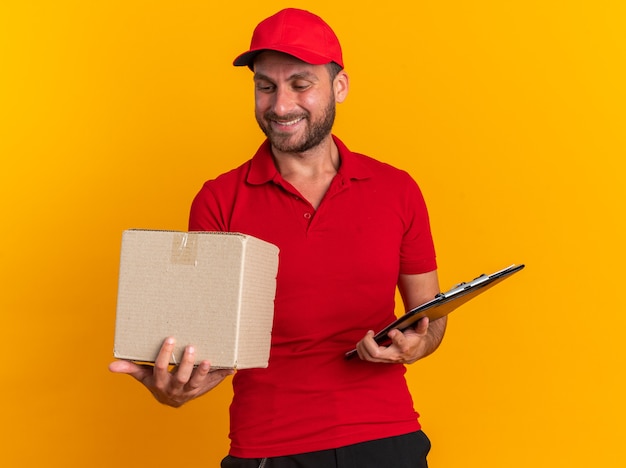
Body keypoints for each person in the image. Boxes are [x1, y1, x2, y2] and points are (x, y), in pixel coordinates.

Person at [109, 8, 447, 468]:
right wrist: (177, 386)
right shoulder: (219, 200)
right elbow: (205, 344)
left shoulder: (398, 190)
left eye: (300, 84)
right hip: (269, 447)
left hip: (387, 439)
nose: (280, 105)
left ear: (340, 87)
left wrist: (417, 344)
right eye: (265, 86)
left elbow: (431, 316)